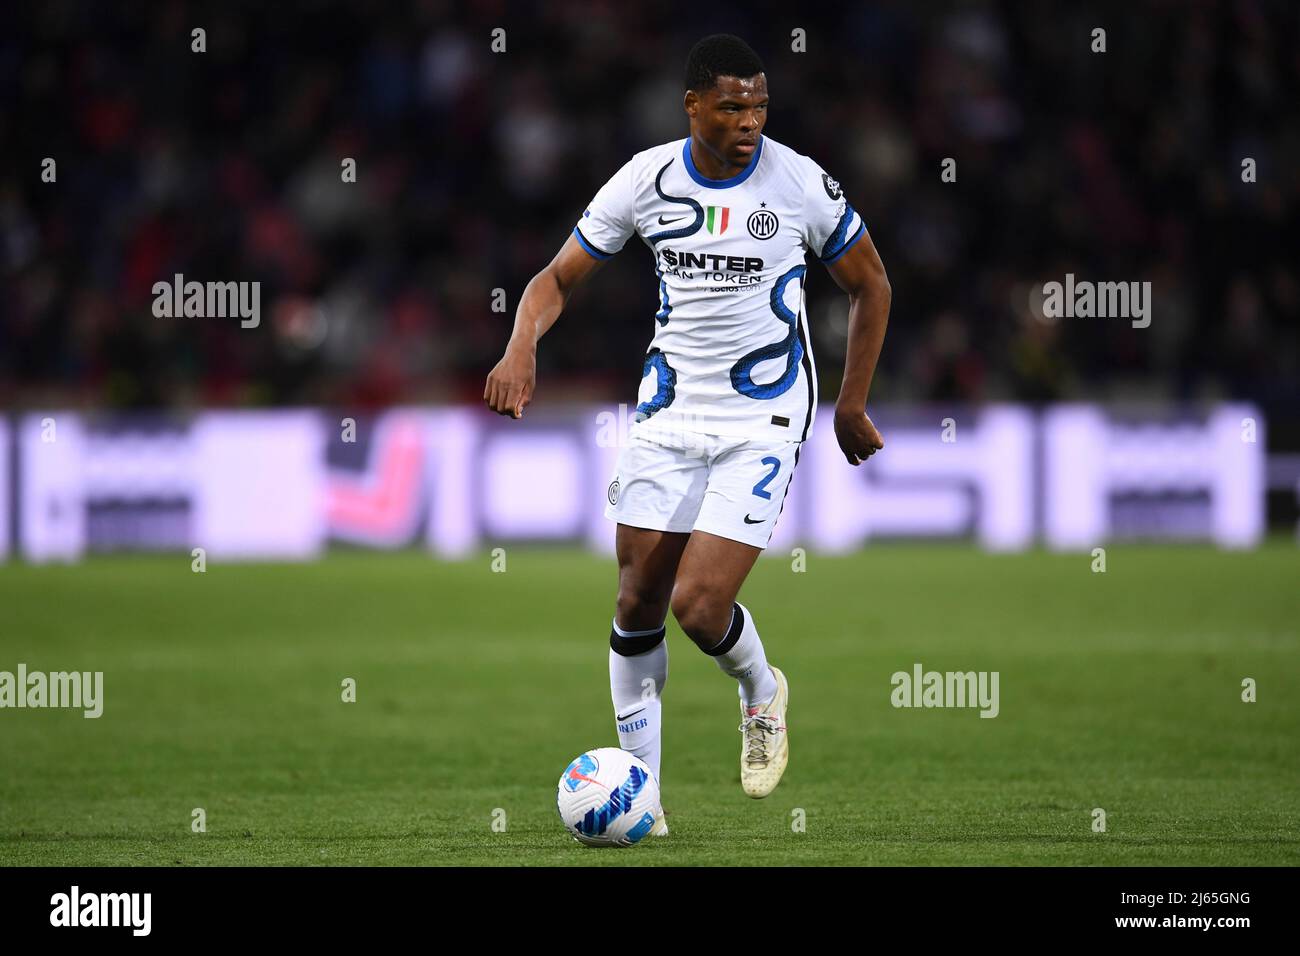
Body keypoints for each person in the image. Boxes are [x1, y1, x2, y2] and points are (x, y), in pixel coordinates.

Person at [484, 34, 891, 834]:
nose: (750, 120)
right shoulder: (647, 179)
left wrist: (850, 403)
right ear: (693, 106)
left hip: (764, 415)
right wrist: (519, 344)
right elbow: (557, 278)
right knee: (637, 599)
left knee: (699, 607)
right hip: (668, 412)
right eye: (733, 105)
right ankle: (646, 801)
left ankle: (760, 689)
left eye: (760, 104)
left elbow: (871, 283)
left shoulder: (800, 183)